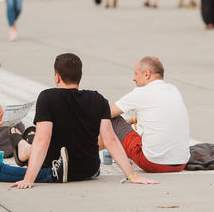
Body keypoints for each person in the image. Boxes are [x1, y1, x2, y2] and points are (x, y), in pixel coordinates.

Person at [9, 53, 158, 188]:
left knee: (26, 140)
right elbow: (110, 139)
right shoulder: (98, 99)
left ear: (57, 77)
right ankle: (22, 144)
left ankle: (20, 144)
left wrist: (29, 179)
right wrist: (132, 175)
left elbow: (43, 141)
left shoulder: (47, 98)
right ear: (80, 76)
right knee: (33, 133)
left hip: (56, 168)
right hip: (89, 171)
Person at [108, 57, 190, 173]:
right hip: (181, 163)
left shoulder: (141, 93)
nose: (134, 78)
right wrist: (131, 120)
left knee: (111, 120)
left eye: (136, 74)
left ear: (147, 74)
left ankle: (93, 158)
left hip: (152, 162)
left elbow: (106, 112)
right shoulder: (173, 90)